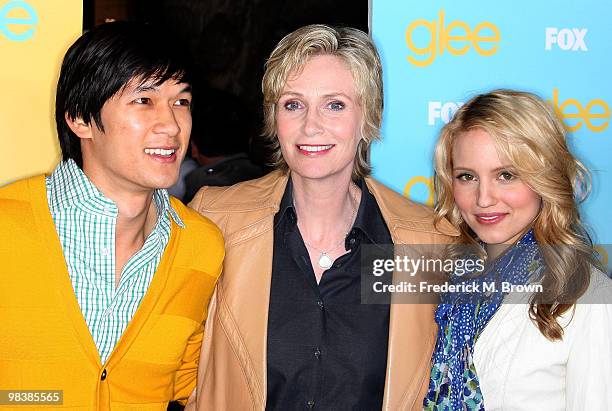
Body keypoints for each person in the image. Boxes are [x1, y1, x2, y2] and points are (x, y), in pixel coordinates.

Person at [187, 24, 457, 410]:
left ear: (368, 118)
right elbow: (180, 368)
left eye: (335, 105)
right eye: (293, 104)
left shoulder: (426, 241)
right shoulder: (217, 220)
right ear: (273, 119)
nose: (311, 125)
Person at [0, 22, 224, 410]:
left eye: (181, 101)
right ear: (80, 119)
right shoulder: (9, 226)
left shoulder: (202, 245)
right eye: (144, 101)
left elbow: (189, 383)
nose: (171, 124)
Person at [424, 89, 612, 410]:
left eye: (506, 175)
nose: (484, 198)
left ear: (545, 178)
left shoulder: (590, 296)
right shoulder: (443, 283)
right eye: (467, 176)